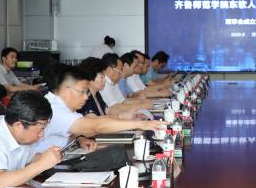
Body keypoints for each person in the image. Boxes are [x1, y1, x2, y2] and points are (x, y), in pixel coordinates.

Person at [32, 64, 165, 153]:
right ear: (66, 90)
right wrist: (140, 124)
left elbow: (83, 126)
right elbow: (95, 126)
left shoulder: (61, 105)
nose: (86, 97)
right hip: (45, 169)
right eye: (82, 92)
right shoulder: (54, 108)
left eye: (87, 92)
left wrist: (80, 138)